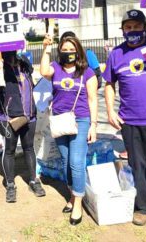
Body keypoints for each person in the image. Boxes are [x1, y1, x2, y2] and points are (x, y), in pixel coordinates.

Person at [104, 9, 146, 226]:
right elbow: (109, 84)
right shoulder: (116, 54)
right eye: (128, 27)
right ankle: (143, 207)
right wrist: (110, 110)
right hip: (130, 122)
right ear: (122, 30)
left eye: (136, 27)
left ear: (144, 27)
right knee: (136, 166)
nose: (132, 31)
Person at [40, 34, 98, 225]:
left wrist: (94, 125)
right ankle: (72, 196)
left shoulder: (87, 72)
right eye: (64, 50)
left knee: (76, 162)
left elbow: (92, 99)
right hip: (59, 121)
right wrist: (46, 48)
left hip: (81, 121)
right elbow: (43, 71)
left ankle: (78, 203)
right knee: (65, 162)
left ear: (78, 51)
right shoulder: (55, 68)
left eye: (71, 50)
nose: (68, 53)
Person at [0, 51, 46, 203]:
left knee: (29, 148)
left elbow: (33, 80)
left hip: (29, 116)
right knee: (9, 150)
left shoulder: (24, 63)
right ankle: (10, 184)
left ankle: (34, 181)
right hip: (8, 118)